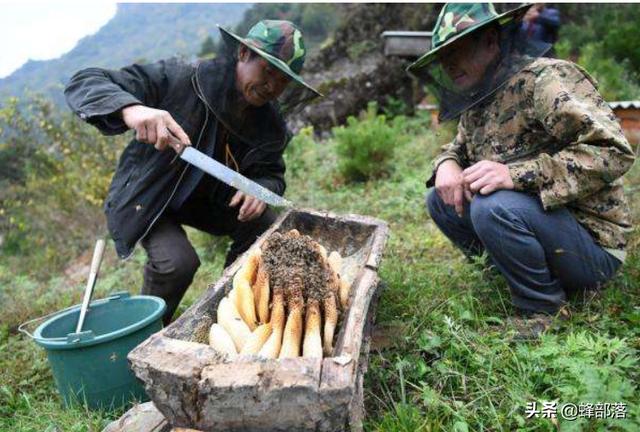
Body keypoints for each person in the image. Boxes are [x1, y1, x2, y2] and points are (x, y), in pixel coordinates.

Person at [65, 20, 322, 324]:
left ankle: (228, 307)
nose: (272, 87)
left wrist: (260, 187)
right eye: (267, 72)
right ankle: (147, 334)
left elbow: (272, 172)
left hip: (207, 203)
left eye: (282, 81)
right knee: (178, 262)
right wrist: (133, 110)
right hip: (150, 197)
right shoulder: (179, 79)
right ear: (242, 53)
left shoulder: (270, 124)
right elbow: (85, 81)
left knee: (266, 223)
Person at [407, 3, 634, 334]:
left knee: (492, 206)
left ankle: (543, 310)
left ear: (490, 41)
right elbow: (458, 146)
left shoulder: (544, 81)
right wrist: (447, 164)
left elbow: (612, 152)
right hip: (546, 230)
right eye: (442, 54)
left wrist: (514, 175)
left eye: (457, 48)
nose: (448, 62)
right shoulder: (480, 96)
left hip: (593, 245)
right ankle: (519, 275)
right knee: (441, 198)